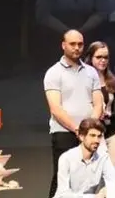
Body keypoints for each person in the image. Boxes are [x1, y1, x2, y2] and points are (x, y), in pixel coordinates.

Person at [44, 29, 104, 197]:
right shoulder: (54, 72)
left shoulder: (91, 72)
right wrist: (78, 129)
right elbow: (55, 108)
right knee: (62, 179)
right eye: (72, 44)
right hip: (64, 133)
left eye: (80, 44)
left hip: (89, 135)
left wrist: (90, 130)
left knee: (88, 178)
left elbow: (98, 103)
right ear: (63, 45)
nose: (77, 48)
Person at [84, 41, 115, 167]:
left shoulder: (112, 81)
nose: (103, 60)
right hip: (92, 134)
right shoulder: (84, 81)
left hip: (111, 134)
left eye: (106, 57)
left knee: (112, 172)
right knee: (95, 172)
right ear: (90, 58)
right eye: (99, 57)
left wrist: (110, 114)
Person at [53, 118, 115, 198]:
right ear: (81, 137)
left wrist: (108, 192)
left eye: (99, 136)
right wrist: (94, 197)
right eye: (92, 135)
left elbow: (113, 181)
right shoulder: (66, 158)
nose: (96, 140)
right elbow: (63, 194)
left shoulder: (103, 157)